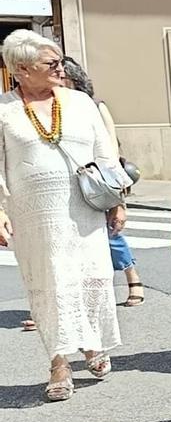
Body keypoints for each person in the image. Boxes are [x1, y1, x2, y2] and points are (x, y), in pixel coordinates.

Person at [0, 31, 124, 400]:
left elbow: (105, 153)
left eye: (60, 61)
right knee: (50, 283)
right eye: (51, 63)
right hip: (34, 215)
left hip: (84, 208)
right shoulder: (4, 109)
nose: (61, 68)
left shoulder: (80, 102)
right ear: (22, 69)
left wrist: (118, 200)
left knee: (92, 276)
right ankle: (59, 363)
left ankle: (92, 343)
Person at [59, 56, 144, 307]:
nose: (57, 81)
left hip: (96, 181)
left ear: (74, 80)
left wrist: (119, 200)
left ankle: (132, 277)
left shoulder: (94, 106)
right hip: (64, 184)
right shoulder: (46, 108)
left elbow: (110, 148)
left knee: (109, 233)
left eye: (62, 77)